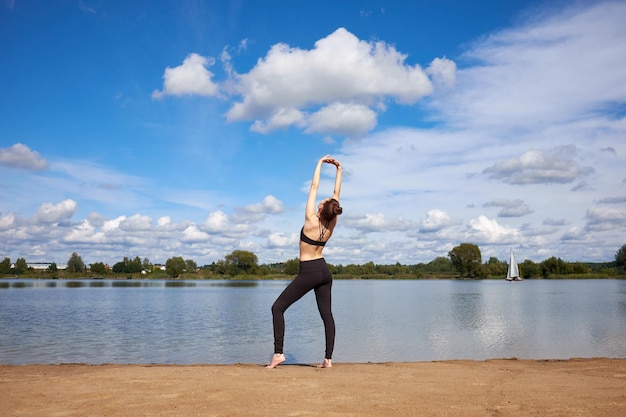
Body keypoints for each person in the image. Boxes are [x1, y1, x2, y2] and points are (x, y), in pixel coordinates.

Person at [267, 155, 343, 369]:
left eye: (324, 201)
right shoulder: (332, 223)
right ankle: (328, 359)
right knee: (327, 315)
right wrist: (339, 170)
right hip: (324, 272)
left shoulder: (311, 219)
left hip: (308, 272)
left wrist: (319, 163)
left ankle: (278, 354)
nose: (322, 199)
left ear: (322, 208)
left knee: (277, 308)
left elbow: (314, 186)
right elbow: (336, 194)